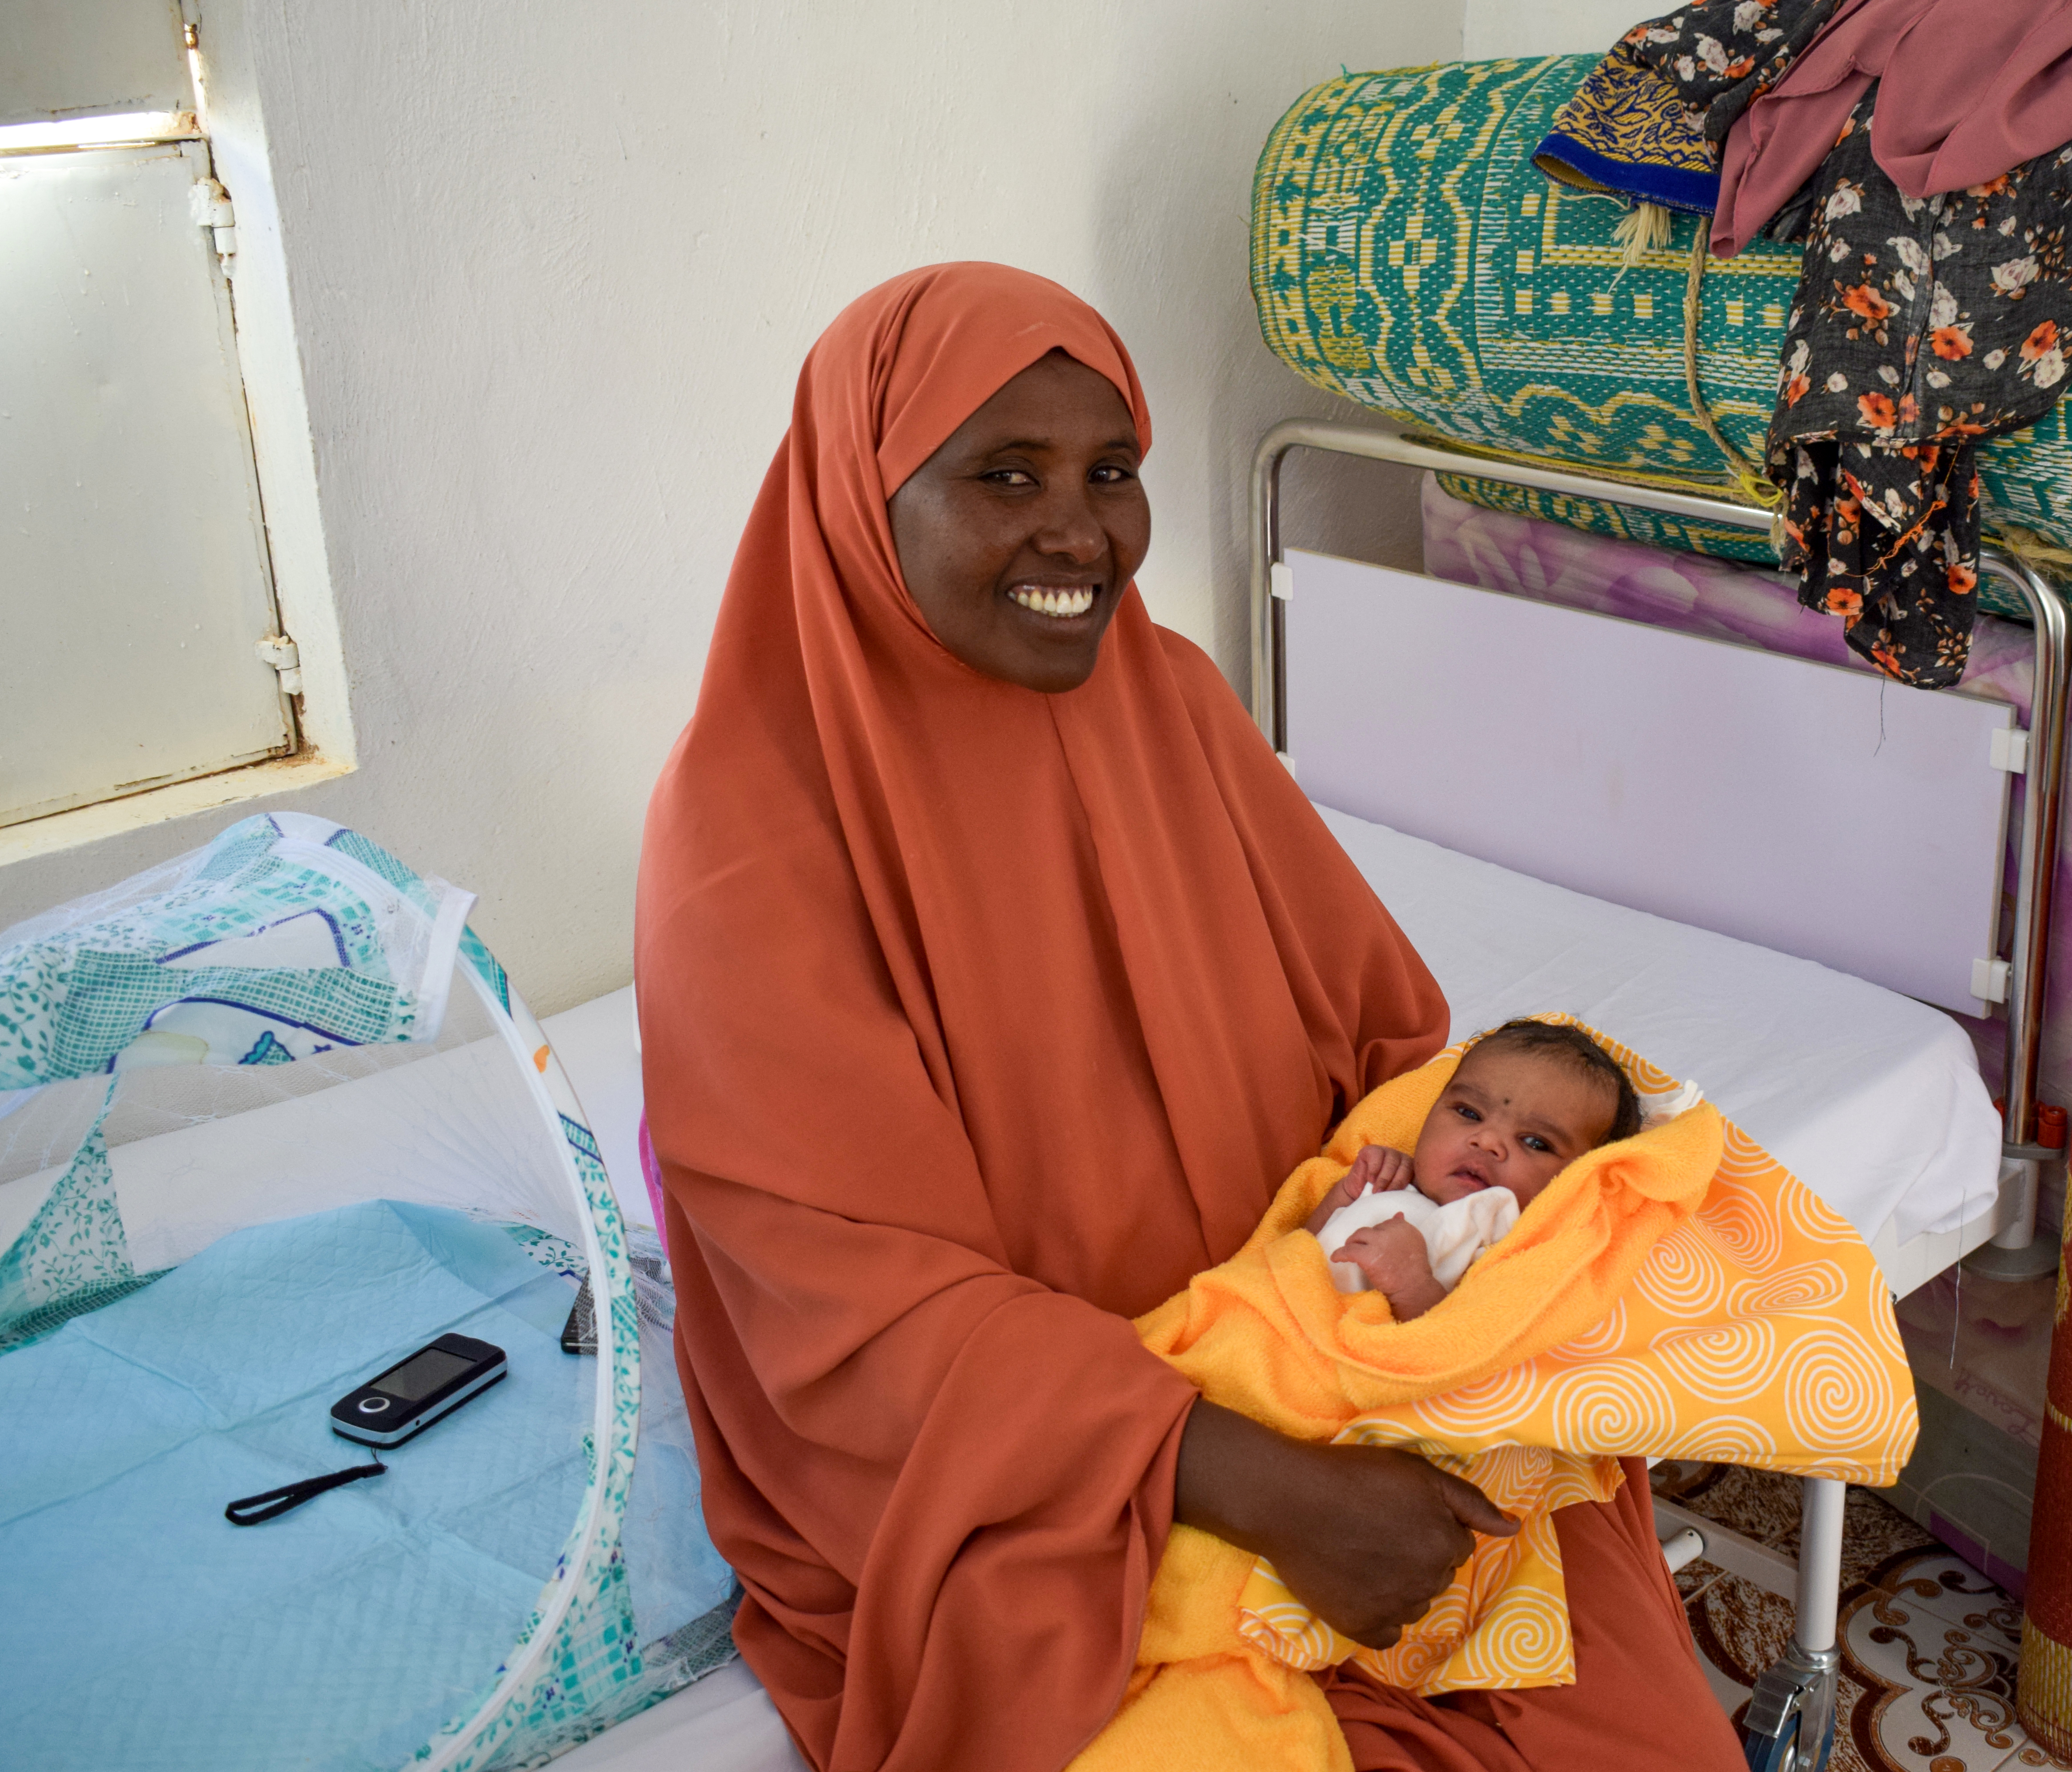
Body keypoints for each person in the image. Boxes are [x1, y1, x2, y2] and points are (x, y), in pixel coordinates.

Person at [635, 261, 1744, 1772]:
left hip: (1332, 1342)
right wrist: (1260, 1486)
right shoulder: (748, 831)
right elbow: (857, 1316)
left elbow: (1377, 1043)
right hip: (1034, 1470)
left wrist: (1472, 1269)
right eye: (1002, 476)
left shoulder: (1172, 699)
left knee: (1617, 1711)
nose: (1080, 532)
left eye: (1113, 473)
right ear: (859, 498)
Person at [1311, 1020, 1644, 1320]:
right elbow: (1297, 1249)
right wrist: (1346, 1193)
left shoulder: (1505, 1249)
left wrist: (1413, 1288)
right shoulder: (1392, 1182)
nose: (1487, 1141)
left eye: (1535, 1142)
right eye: (1469, 1113)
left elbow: (1457, 1349)